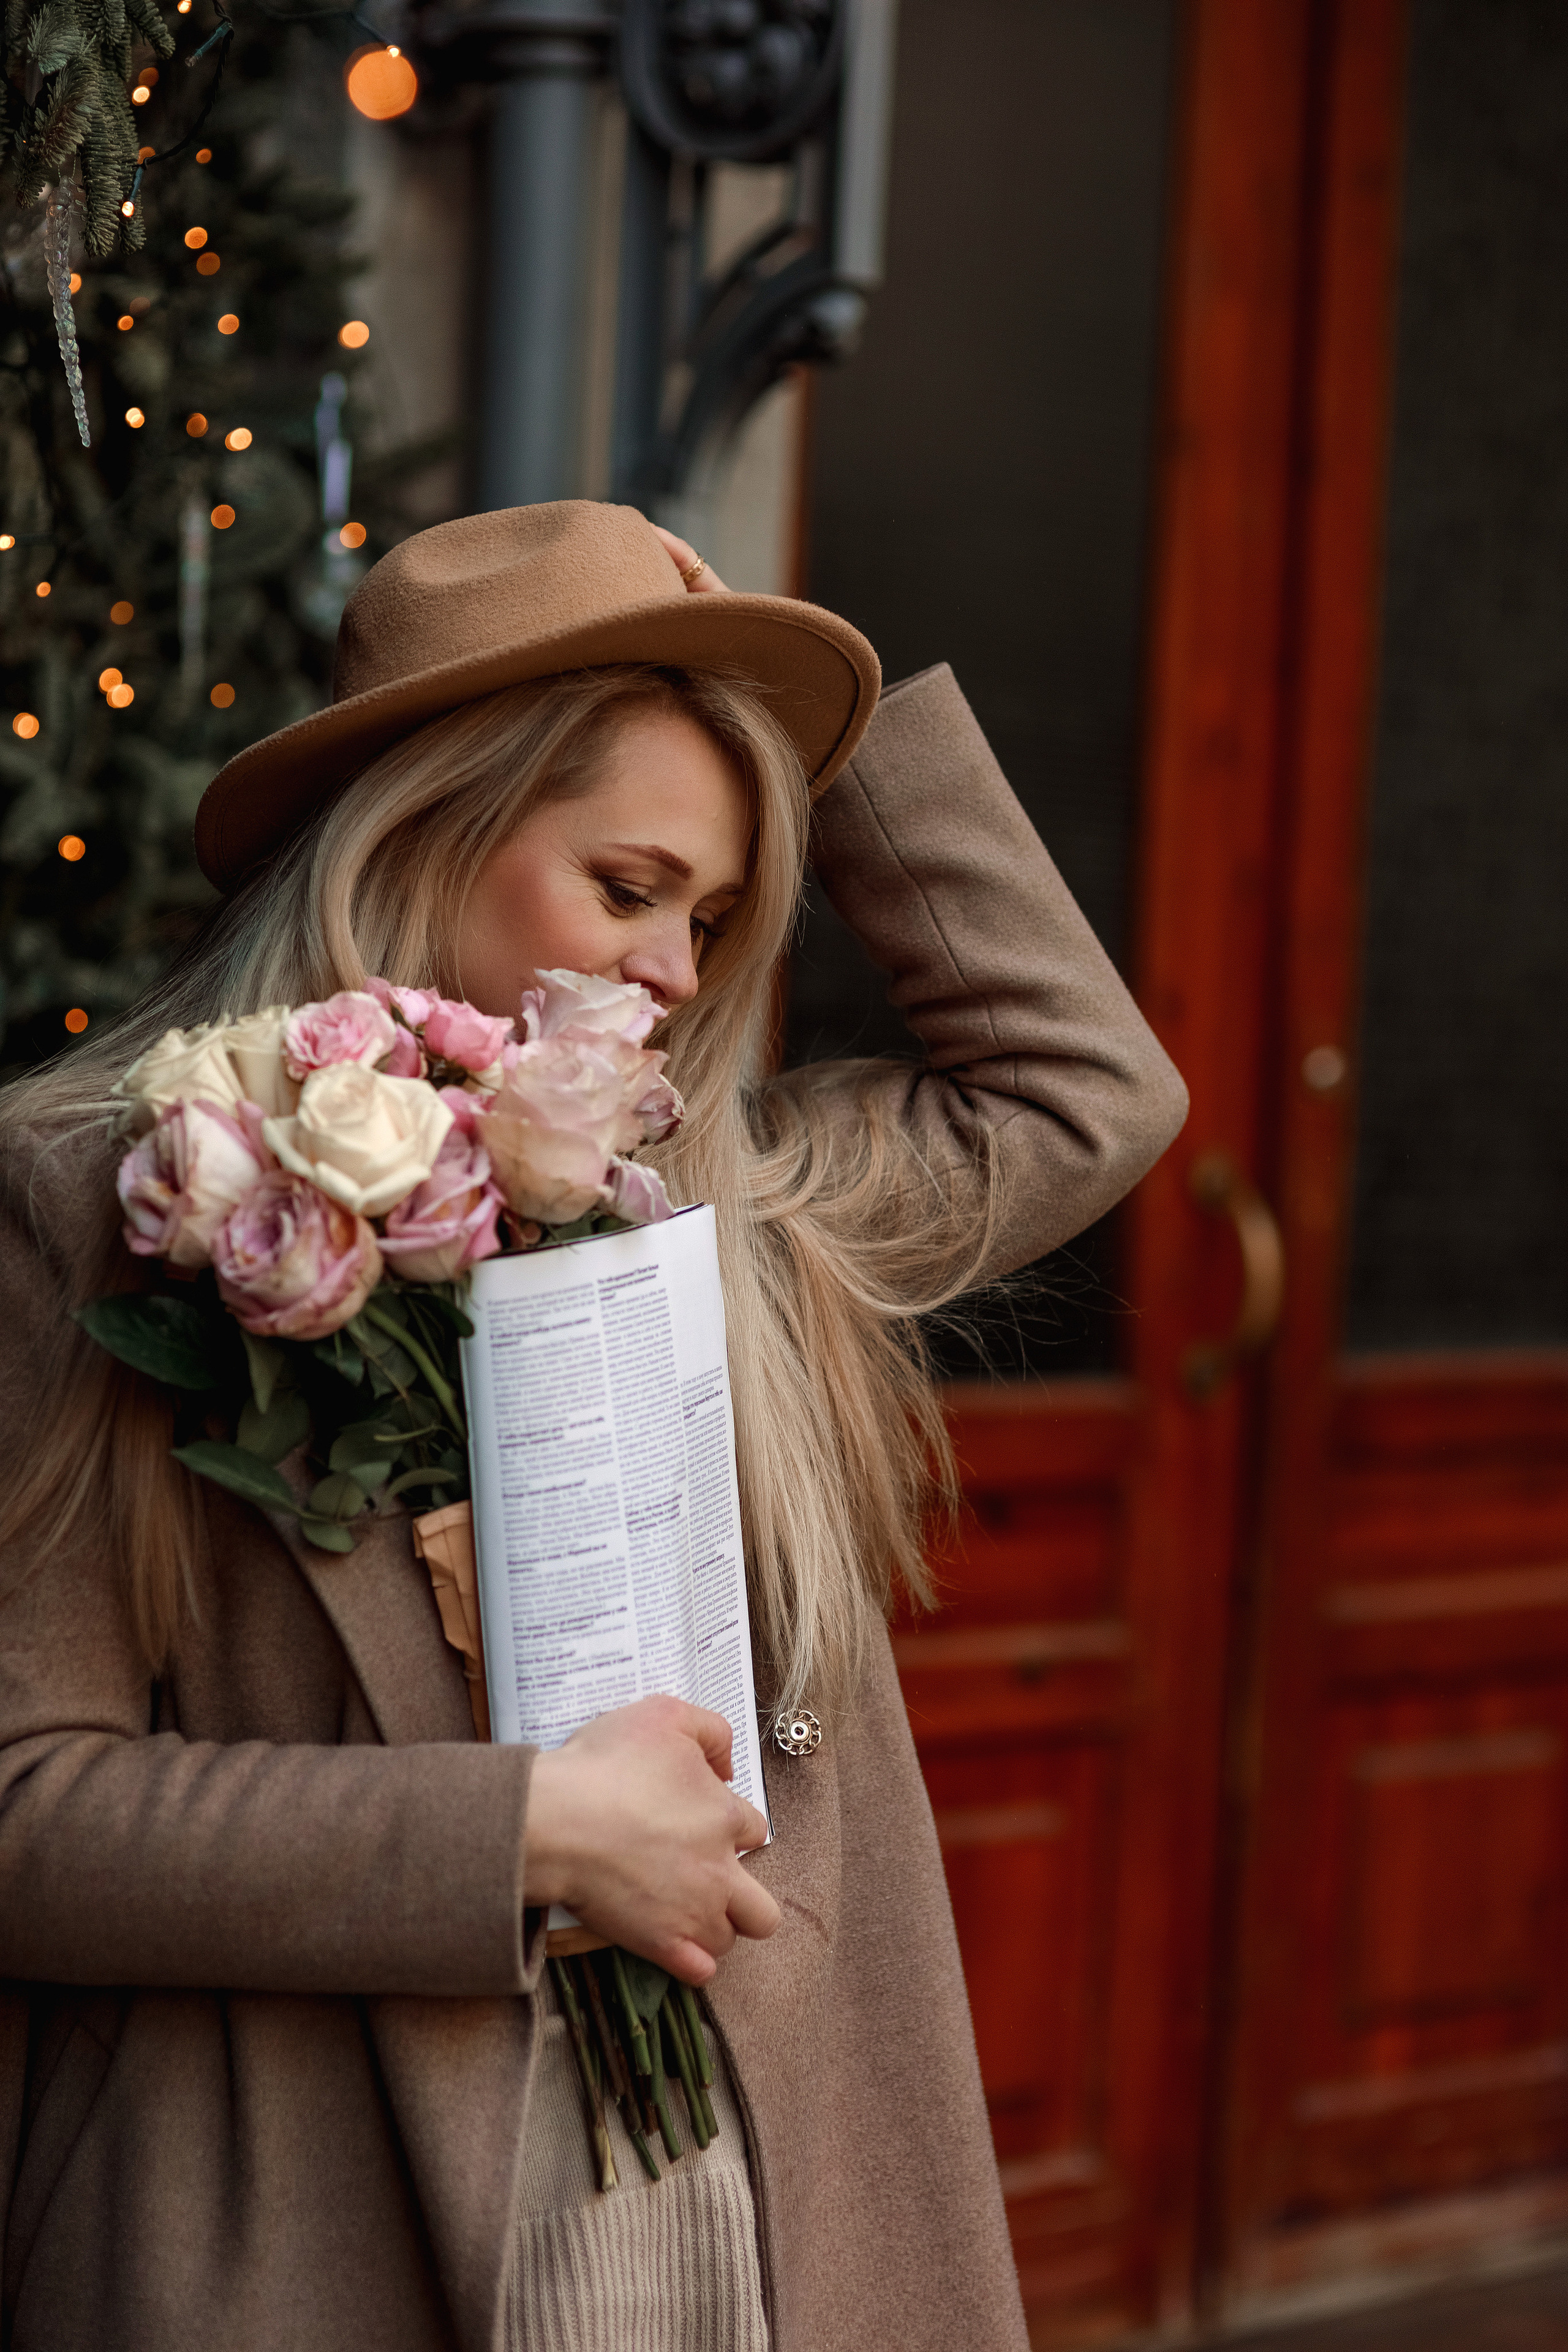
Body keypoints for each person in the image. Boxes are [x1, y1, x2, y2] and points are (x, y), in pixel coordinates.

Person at [0, 500, 1186, 2352]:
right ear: (420, 829)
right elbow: (27, 1816)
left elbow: (1086, 1089)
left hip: (762, 2203)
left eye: (713, 918)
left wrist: (818, 721)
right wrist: (524, 1834)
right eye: (628, 888)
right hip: (323, 2218)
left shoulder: (723, 1202)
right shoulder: (109, 1204)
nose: (681, 974)